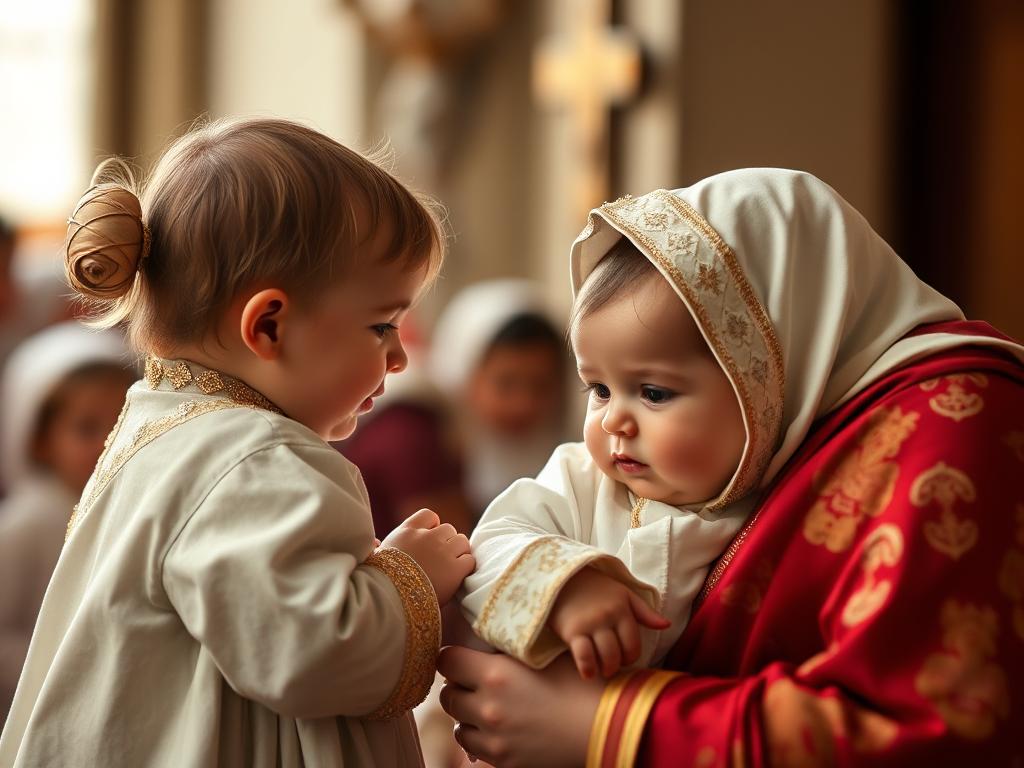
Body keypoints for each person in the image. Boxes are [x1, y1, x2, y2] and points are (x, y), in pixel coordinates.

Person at [439, 169, 1024, 766]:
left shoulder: (933, 422)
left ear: (768, 373)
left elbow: (932, 731)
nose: (615, 421)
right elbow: (495, 539)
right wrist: (565, 584)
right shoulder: (593, 481)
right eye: (597, 389)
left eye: (655, 392)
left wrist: (608, 727)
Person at [0, 117, 476, 768]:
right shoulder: (256, 459)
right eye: (381, 326)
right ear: (270, 325)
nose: (397, 358)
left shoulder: (160, 425)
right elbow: (314, 652)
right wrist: (413, 577)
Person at [0, 322, 134, 728]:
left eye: (121, 426)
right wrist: (66, 665)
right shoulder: (26, 522)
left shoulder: (130, 509)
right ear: (40, 438)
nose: (108, 444)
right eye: (87, 428)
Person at [429, 279, 569, 518]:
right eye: (506, 384)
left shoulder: (574, 463)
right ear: (465, 374)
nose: (523, 404)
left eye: (541, 386)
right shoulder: (429, 452)